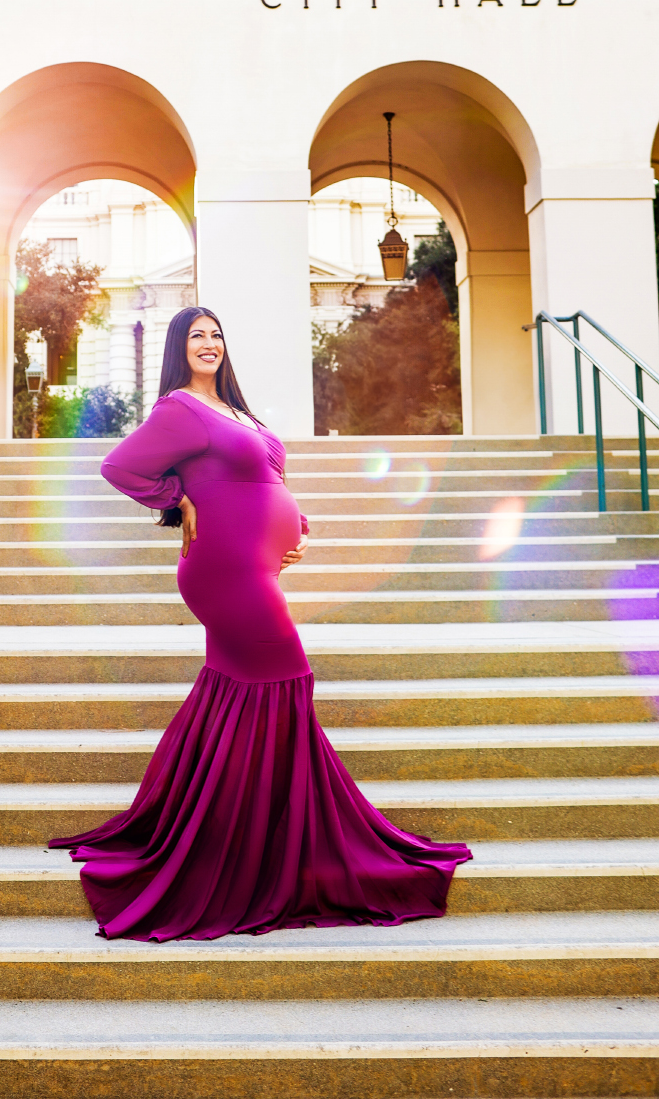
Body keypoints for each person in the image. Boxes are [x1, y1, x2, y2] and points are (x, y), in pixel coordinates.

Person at [50, 305, 471, 941]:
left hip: (256, 570)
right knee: (289, 678)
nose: (209, 343)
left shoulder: (235, 411)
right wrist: (177, 501)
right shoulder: (179, 410)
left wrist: (293, 527)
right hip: (224, 574)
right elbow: (120, 467)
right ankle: (264, 851)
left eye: (217, 333)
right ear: (178, 347)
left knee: (233, 694)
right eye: (196, 336)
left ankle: (215, 827)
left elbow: (261, 478)